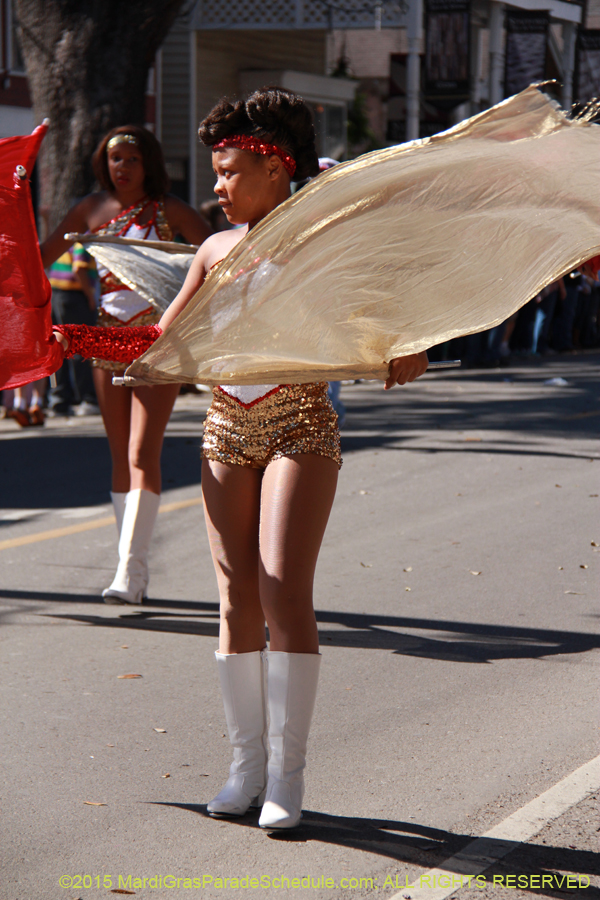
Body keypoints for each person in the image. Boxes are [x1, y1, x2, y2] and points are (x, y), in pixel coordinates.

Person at [51, 90, 428, 831]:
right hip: (226, 427)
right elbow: (163, 339)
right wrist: (72, 339)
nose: (217, 188)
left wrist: (401, 344)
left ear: (277, 167)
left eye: (229, 173)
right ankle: (244, 769)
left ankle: (288, 774)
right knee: (235, 599)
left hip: (300, 426)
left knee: (283, 589)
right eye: (215, 173)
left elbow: (382, 307)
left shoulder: (323, 238)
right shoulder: (214, 250)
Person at [41, 125, 211, 604]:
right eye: (116, 159)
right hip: (103, 340)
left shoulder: (170, 210)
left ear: (148, 163)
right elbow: (42, 257)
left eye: (133, 159)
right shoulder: (89, 210)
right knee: (119, 457)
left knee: (141, 453)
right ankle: (130, 571)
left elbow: (220, 258)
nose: (123, 167)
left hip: (156, 344)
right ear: (105, 164)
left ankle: (129, 571)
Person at [47, 242, 99, 416]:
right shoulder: (81, 241)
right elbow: (79, 268)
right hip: (74, 296)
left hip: (56, 294)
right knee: (80, 349)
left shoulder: (64, 241)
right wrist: (90, 295)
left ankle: (59, 400)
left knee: (59, 348)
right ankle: (87, 398)